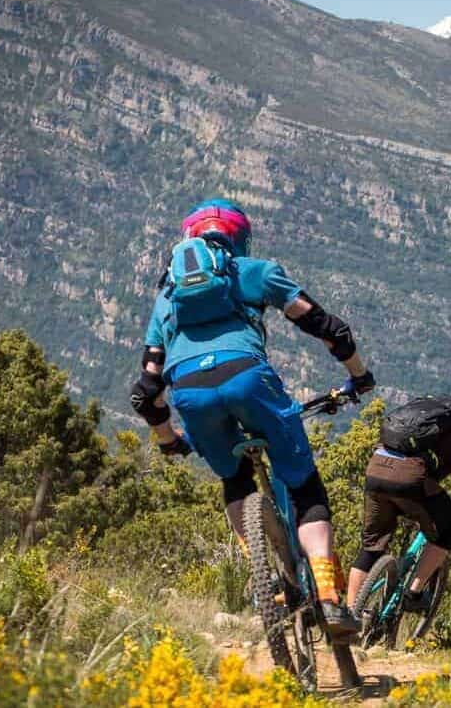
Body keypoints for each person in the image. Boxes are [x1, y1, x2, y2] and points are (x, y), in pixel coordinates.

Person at [128, 198, 374, 636]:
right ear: (239, 238)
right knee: (303, 485)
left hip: (189, 393)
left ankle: (267, 576)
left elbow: (147, 391)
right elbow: (327, 327)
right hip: (248, 377)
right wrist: (359, 376)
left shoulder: (167, 297)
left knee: (236, 482)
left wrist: (168, 439)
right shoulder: (255, 272)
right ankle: (330, 596)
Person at [347, 375, 451, 613]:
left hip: (377, 466)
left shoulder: (434, 407)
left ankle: (350, 614)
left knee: (371, 547)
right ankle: (414, 592)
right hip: (410, 478)